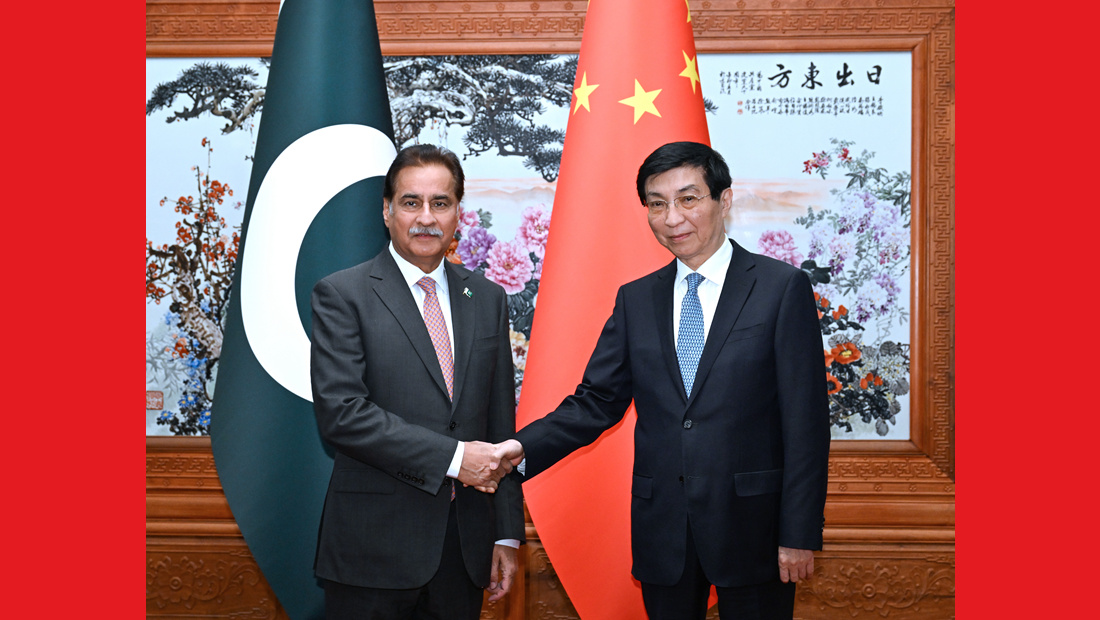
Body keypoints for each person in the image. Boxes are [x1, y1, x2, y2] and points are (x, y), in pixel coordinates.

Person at [496, 141, 830, 619]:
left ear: (724, 200)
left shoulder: (780, 288)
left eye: (688, 199)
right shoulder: (637, 299)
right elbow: (596, 401)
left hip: (755, 530)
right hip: (664, 530)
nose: (673, 218)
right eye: (657, 204)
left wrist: (798, 533)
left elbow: (806, 424)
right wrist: (519, 448)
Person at [310, 144, 524, 620]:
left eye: (440, 203)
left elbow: (499, 422)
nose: (426, 218)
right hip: (372, 550)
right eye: (411, 202)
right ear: (387, 211)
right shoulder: (343, 294)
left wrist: (506, 534)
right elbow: (342, 415)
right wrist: (455, 459)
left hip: (464, 548)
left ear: (458, 213)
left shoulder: (487, 297)